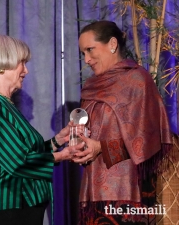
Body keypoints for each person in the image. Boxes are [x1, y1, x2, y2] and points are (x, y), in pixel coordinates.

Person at [0, 34, 83, 225]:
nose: (26, 70)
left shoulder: (3, 104)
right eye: (21, 63)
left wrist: (58, 141)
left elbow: (23, 152)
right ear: (3, 63)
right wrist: (63, 156)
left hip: (19, 206)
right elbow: (17, 162)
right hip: (5, 209)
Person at [72, 20, 173, 224]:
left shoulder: (137, 81)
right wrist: (82, 146)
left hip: (127, 194)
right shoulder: (91, 86)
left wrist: (101, 148)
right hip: (93, 191)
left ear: (112, 44)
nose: (87, 59)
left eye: (90, 50)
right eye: (83, 53)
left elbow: (148, 143)